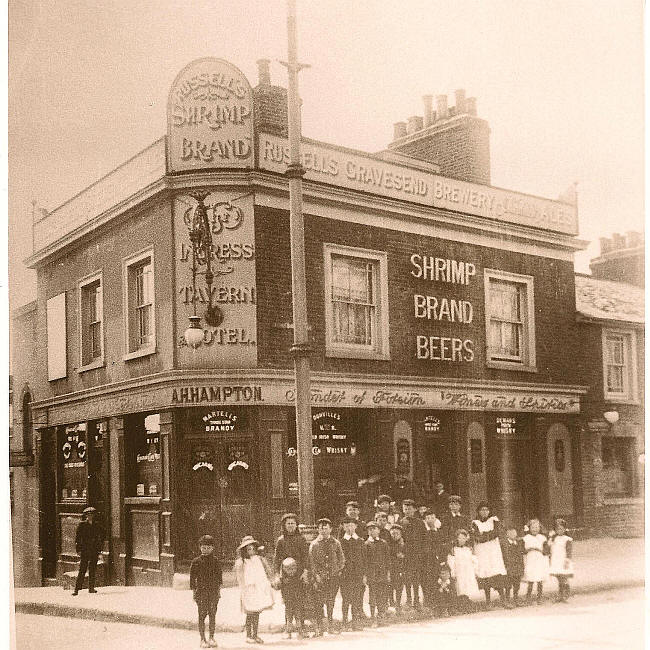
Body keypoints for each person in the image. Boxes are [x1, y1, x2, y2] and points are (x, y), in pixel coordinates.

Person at [235, 536, 275, 644]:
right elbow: (240, 578)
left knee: (256, 612)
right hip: (248, 590)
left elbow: (264, 573)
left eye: (253, 548)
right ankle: (248, 635)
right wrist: (243, 590)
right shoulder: (242, 562)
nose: (251, 551)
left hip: (257, 589)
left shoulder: (258, 560)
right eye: (248, 549)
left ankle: (255, 634)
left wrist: (266, 585)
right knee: (250, 613)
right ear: (244, 550)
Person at [309, 518, 345, 636]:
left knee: (331, 601)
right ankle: (319, 627)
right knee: (319, 602)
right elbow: (311, 562)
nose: (323, 531)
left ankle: (330, 625)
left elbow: (342, 559)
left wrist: (337, 571)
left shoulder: (336, 543)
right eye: (321, 529)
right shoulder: (314, 544)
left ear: (330, 529)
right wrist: (316, 575)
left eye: (325, 528)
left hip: (333, 577)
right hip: (319, 578)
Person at [471, 503, 507, 609]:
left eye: (486, 510)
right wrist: (488, 535)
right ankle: (488, 602)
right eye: (482, 510)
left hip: (493, 551)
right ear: (478, 512)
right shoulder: (475, 523)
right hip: (482, 551)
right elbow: (477, 537)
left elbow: (497, 532)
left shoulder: (494, 520)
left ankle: (503, 599)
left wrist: (484, 536)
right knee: (485, 573)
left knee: (496, 572)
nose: (484, 512)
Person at [190, 534, 222, 648]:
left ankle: (212, 637)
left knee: (212, 615)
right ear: (200, 547)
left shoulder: (216, 561)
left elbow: (219, 579)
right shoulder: (196, 562)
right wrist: (194, 593)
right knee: (202, 615)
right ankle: (202, 639)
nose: (205, 550)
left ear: (212, 548)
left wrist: (218, 592)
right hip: (201, 593)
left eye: (208, 548)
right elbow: (192, 580)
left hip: (213, 592)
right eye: (203, 547)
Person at [400, 498, 428, 610]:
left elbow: (424, 538)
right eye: (405, 509)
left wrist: (423, 552)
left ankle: (416, 599)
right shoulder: (401, 522)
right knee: (407, 578)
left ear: (415, 509)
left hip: (417, 554)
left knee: (416, 577)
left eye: (409, 509)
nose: (407, 511)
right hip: (406, 554)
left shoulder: (419, 522)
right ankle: (409, 599)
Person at [339, 517, 366, 630]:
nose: (349, 528)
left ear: (355, 526)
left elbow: (364, 559)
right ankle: (345, 621)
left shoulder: (360, 541)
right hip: (345, 574)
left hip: (357, 574)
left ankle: (355, 622)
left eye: (351, 525)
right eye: (346, 526)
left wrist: (364, 575)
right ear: (343, 527)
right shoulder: (340, 542)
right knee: (346, 598)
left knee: (356, 598)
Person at [72, 506, 104, 596]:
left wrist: (99, 549)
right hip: (85, 549)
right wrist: (78, 550)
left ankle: (91, 588)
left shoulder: (96, 525)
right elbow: (78, 538)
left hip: (94, 549)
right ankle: (76, 589)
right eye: (88, 515)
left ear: (93, 516)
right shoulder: (82, 525)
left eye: (91, 515)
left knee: (92, 569)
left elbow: (100, 536)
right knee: (82, 569)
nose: (90, 516)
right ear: (86, 515)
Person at [446, 528, 479, 614]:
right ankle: (461, 605)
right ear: (456, 538)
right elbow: (451, 561)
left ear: (466, 539)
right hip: (459, 571)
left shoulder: (469, 549)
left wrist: (475, 571)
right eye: (459, 538)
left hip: (467, 570)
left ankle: (466, 604)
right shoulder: (454, 549)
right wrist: (453, 572)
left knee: (467, 587)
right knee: (460, 587)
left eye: (463, 538)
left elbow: (474, 560)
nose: (461, 540)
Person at [364, 521, 390, 626]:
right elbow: (365, 561)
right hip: (372, 574)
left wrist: (388, 573)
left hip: (382, 573)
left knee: (382, 595)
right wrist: (366, 575)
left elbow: (387, 559)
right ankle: (372, 618)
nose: (372, 531)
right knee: (372, 596)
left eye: (374, 529)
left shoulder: (383, 543)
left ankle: (381, 617)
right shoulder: (366, 544)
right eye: (370, 529)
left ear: (379, 530)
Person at [273, 513, 309, 583]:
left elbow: (306, 556)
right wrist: (277, 575)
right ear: (285, 525)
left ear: (296, 525)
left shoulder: (301, 539)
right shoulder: (281, 540)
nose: (290, 525)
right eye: (288, 523)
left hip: (299, 573)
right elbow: (277, 559)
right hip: (286, 573)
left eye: (292, 523)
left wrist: (305, 572)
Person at [522, 518, 549, 605]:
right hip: (530, 560)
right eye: (533, 528)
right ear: (529, 528)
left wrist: (540, 550)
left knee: (539, 579)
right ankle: (528, 597)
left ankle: (539, 597)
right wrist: (529, 549)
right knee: (531, 579)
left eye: (537, 527)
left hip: (539, 560)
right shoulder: (526, 538)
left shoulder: (542, 538)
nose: (535, 529)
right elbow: (522, 550)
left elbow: (546, 551)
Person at [548, 518, 573, 603]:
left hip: (563, 559)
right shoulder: (554, 538)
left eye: (561, 529)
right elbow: (549, 547)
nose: (559, 531)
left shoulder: (567, 539)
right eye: (557, 529)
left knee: (563, 577)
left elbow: (569, 551)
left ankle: (565, 593)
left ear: (565, 529)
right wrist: (550, 537)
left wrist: (567, 560)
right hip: (556, 559)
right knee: (559, 577)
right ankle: (560, 594)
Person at [280, 558, 306, 639]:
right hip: (289, 598)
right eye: (288, 569)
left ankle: (300, 631)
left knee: (298, 613)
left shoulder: (298, 578)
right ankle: (289, 631)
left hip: (297, 597)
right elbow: (283, 590)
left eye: (293, 568)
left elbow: (302, 588)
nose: (291, 571)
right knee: (289, 615)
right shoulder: (284, 580)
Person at [422, 509, 442, 611]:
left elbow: (441, 544)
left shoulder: (438, 530)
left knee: (437, 579)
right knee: (428, 580)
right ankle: (429, 601)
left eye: (432, 518)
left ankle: (438, 601)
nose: (430, 520)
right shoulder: (424, 532)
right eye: (428, 518)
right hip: (428, 559)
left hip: (437, 559)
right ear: (425, 520)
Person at [500, 526, 525, 607]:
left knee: (517, 584)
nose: (513, 535)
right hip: (509, 567)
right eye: (510, 533)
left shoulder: (519, 542)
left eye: (514, 533)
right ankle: (507, 600)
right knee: (508, 585)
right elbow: (503, 556)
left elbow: (521, 554)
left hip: (518, 566)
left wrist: (522, 566)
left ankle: (515, 599)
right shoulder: (504, 544)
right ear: (507, 534)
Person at [388, 523, 406, 612]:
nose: (395, 536)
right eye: (393, 534)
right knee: (390, 585)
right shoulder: (388, 544)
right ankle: (391, 602)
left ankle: (398, 603)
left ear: (401, 534)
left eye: (397, 533)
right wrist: (395, 555)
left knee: (399, 586)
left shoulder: (404, 543)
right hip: (391, 567)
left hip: (401, 568)